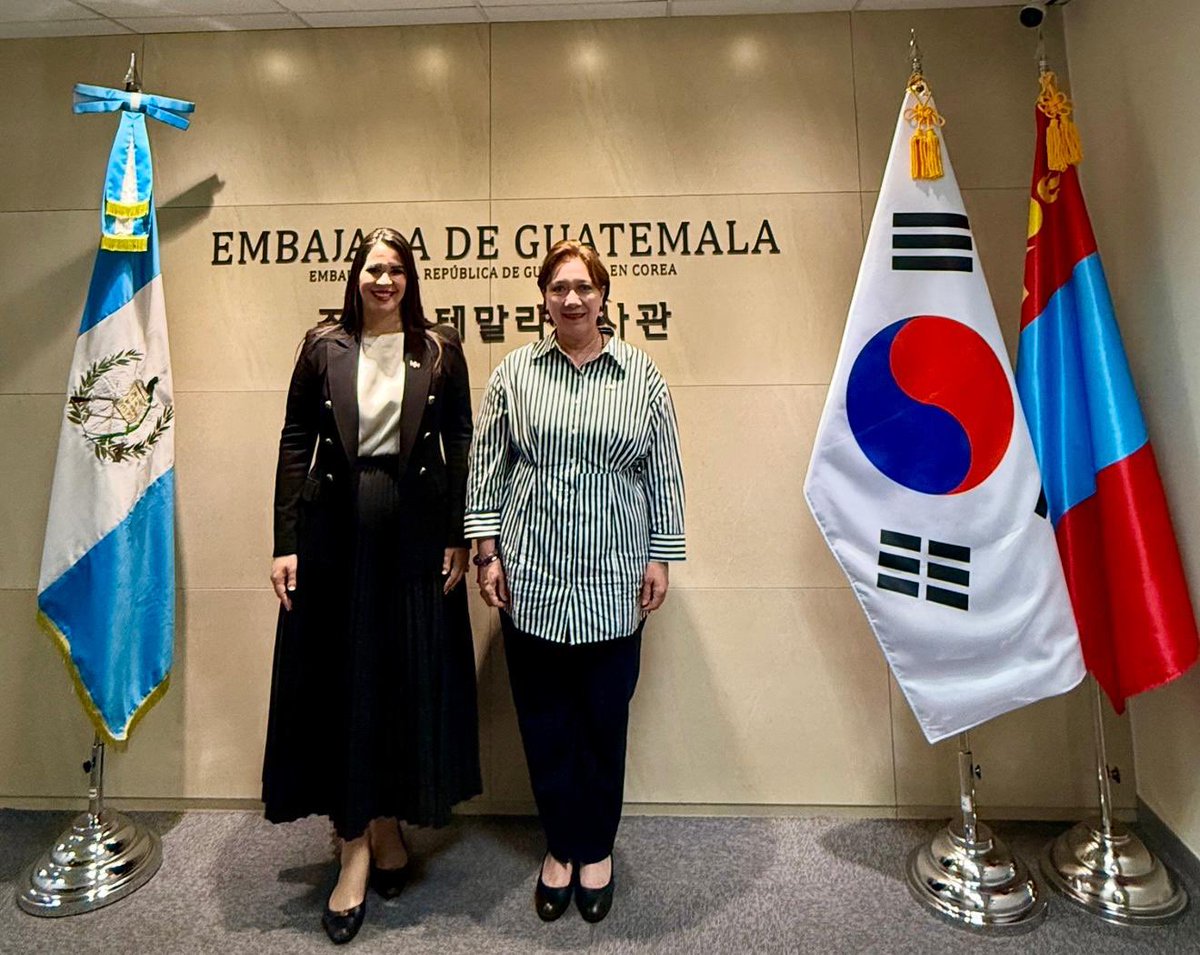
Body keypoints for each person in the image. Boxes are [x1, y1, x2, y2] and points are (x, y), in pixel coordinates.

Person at [262, 227, 481, 945]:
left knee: (396, 683)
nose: (383, 280)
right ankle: (354, 846)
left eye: (395, 269)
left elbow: (461, 442)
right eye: (372, 269)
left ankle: (388, 826)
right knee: (345, 686)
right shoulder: (323, 343)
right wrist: (285, 541)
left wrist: (457, 531)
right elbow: (297, 440)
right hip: (336, 541)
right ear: (354, 276)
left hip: (414, 540)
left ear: (410, 278)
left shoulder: (442, 347)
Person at [464, 240, 686, 924]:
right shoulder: (514, 374)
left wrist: (661, 554)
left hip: (616, 583)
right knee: (545, 723)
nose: (571, 298)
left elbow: (664, 470)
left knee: (602, 720)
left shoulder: (641, 376)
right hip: (533, 583)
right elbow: (487, 464)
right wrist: (486, 549)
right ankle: (560, 846)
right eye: (558, 287)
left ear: (603, 295)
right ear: (543, 298)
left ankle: (597, 848)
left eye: (583, 286)